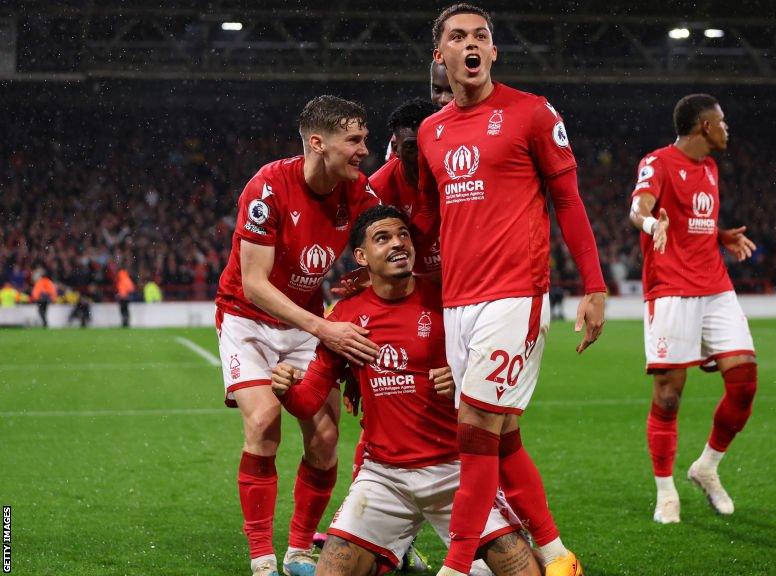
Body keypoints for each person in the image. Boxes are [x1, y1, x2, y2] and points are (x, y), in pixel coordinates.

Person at [415, 5, 607, 576]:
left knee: (472, 432)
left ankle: (455, 567)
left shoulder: (531, 113)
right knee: (501, 441)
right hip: (458, 302)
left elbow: (568, 201)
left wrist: (594, 286)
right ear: (440, 56)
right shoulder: (432, 131)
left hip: (515, 294)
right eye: (457, 37)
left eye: (481, 36)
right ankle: (556, 555)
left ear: (493, 52)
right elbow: (428, 218)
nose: (470, 44)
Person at [273, 205, 542, 576]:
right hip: (384, 477)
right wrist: (286, 390)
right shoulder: (345, 318)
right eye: (383, 238)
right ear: (362, 257)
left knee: (527, 573)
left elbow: (496, 369)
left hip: (456, 470)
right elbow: (308, 401)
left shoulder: (449, 302)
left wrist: (463, 377)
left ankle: (478, 562)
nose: (398, 244)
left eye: (403, 235)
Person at [214, 95, 382, 576]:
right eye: (353, 140)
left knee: (325, 438)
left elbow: (380, 245)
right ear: (317, 143)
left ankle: (299, 551)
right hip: (248, 320)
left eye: (365, 139)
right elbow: (254, 284)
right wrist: (324, 327)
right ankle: (262, 557)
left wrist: (365, 281)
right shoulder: (267, 188)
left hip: (306, 322)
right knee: (265, 422)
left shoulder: (359, 194)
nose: (362, 150)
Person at [628, 93, 759, 525]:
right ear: (704, 126)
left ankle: (706, 467)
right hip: (671, 289)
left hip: (715, 286)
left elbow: (693, 221)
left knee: (743, 384)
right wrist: (652, 224)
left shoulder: (711, 168)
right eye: (721, 121)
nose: (727, 128)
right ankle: (666, 492)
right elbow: (638, 209)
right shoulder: (658, 162)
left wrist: (721, 236)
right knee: (668, 396)